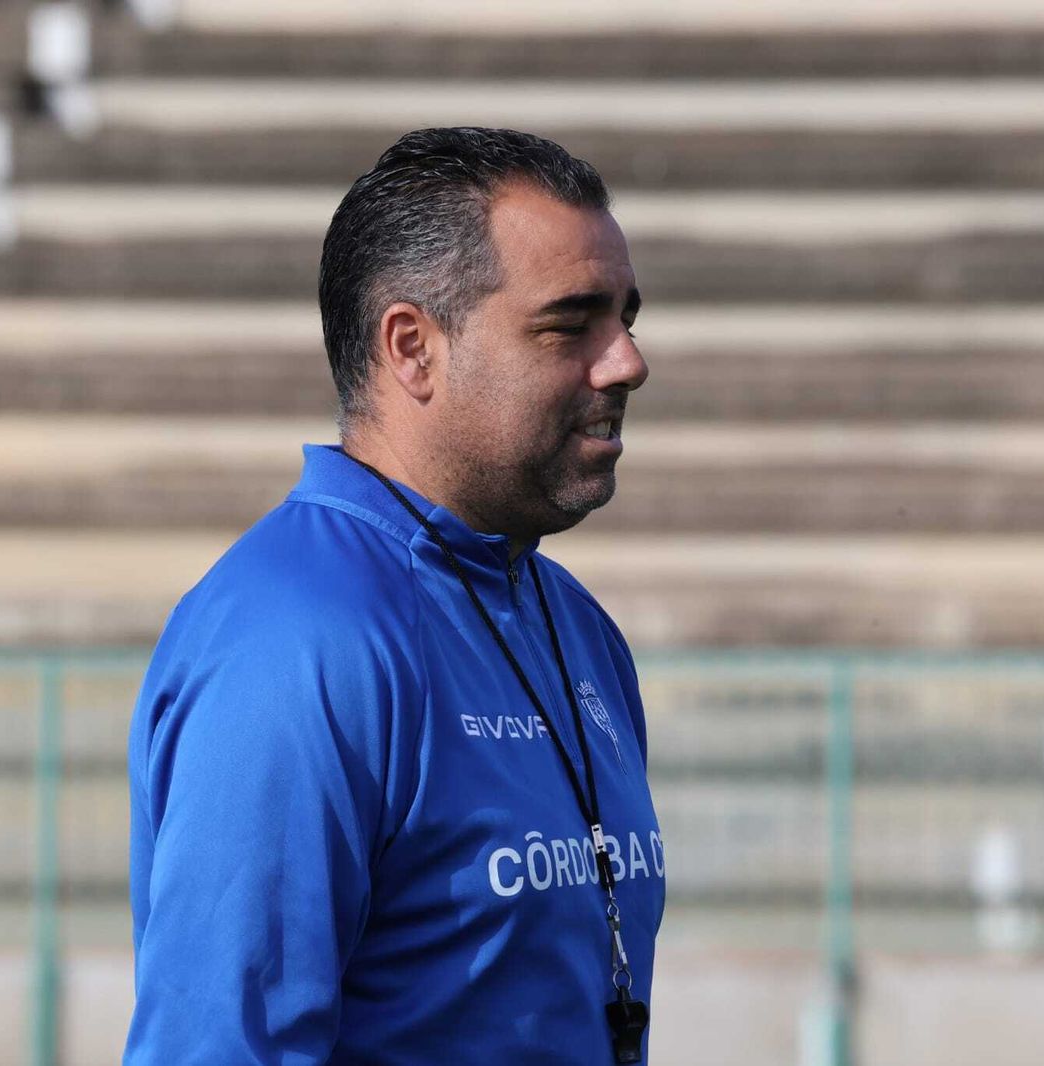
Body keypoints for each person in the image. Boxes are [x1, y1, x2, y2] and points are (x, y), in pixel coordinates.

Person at [124, 127, 664, 1065]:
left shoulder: (575, 626)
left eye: (626, 316)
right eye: (571, 322)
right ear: (413, 348)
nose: (627, 362)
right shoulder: (297, 641)